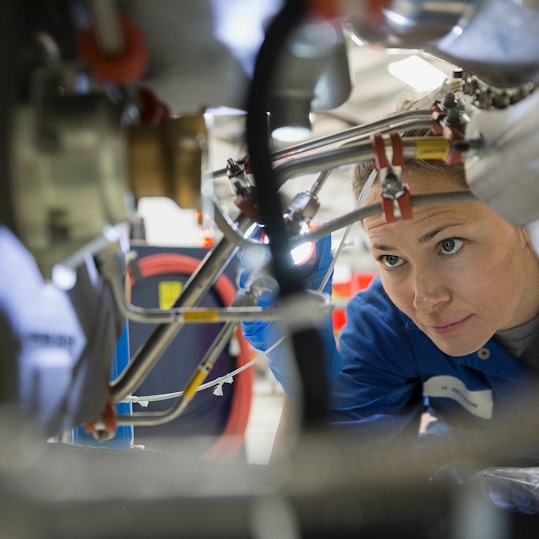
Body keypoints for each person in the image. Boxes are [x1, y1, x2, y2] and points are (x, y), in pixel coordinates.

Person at [241, 135, 539, 459]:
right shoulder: (389, 319)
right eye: (392, 259)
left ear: (524, 220)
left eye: (449, 244)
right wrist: (305, 379)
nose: (424, 299)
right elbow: (319, 476)